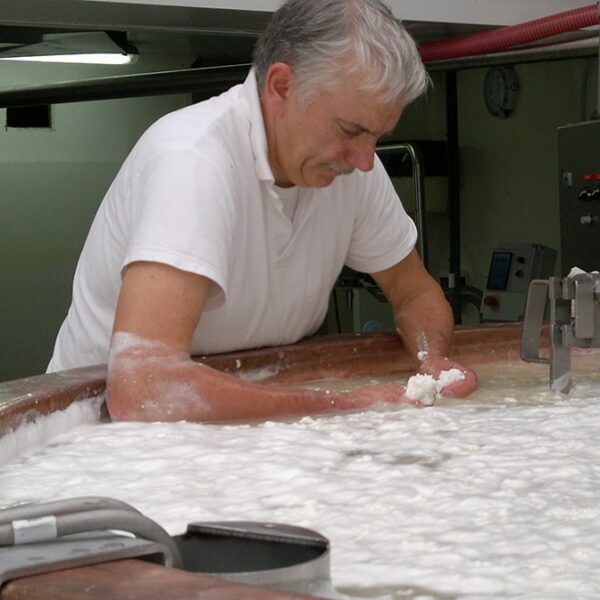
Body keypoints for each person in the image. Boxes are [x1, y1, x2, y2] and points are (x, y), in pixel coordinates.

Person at [48, 0, 478, 422]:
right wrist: (344, 405)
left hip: (240, 430)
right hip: (100, 442)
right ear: (280, 87)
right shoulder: (194, 159)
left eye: (377, 136)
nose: (365, 160)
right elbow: (144, 387)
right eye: (351, 130)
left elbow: (415, 293)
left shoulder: (355, 170)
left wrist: (433, 359)